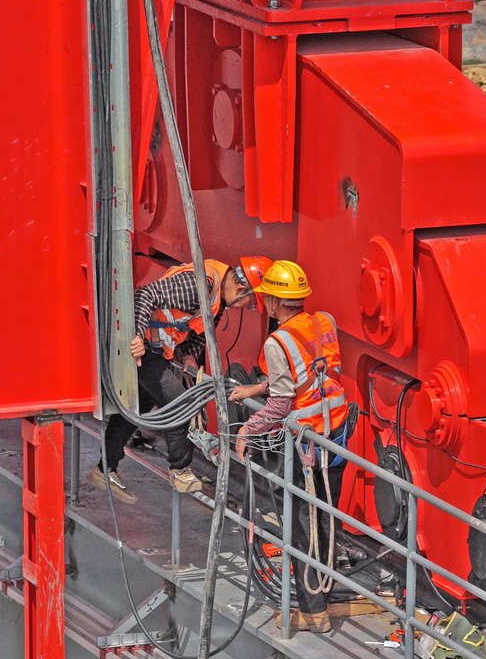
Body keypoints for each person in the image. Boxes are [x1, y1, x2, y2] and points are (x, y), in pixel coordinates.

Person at [88, 256, 272, 502]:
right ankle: (180, 470)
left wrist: (190, 357)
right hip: (144, 351)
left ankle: (104, 469)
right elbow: (146, 295)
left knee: (136, 408)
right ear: (241, 289)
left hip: (155, 350)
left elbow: (199, 330)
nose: (247, 307)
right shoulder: (199, 286)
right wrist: (138, 336)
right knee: (180, 405)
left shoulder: (218, 299)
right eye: (250, 302)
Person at [229, 259, 349, 634]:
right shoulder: (323, 321)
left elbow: (283, 404)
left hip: (306, 443)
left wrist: (247, 430)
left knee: (301, 522)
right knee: (326, 515)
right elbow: (309, 374)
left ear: (272, 302)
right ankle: (326, 591)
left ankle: (314, 609)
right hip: (338, 432)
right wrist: (257, 387)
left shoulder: (277, 341)